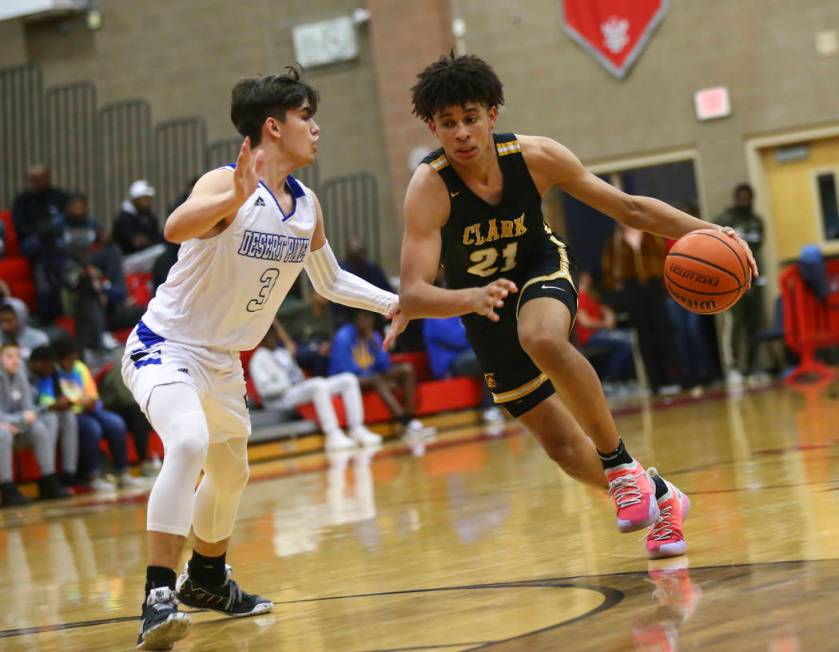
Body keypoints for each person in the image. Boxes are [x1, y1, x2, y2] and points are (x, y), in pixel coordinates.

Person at [399, 54, 758, 562]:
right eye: (449, 123)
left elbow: (629, 208)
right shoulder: (429, 188)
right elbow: (413, 292)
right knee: (563, 450)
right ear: (432, 126)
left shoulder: (536, 156)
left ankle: (619, 466)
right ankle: (662, 497)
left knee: (542, 337)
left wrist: (709, 232)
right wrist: (469, 298)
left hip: (539, 268)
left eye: (471, 117)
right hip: (480, 305)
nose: (461, 133)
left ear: (492, 115)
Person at [121, 68, 408, 650]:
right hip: (165, 347)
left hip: (224, 361)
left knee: (232, 473)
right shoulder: (224, 183)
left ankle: (205, 577)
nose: (317, 128)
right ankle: (158, 594)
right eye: (307, 116)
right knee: (189, 443)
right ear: (274, 127)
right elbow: (177, 226)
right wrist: (231, 197)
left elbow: (328, 281)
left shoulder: (306, 206)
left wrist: (395, 303)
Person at [249, 318, 382, 450]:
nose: (273, 337)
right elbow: (264, 390)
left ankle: (357, 429)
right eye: (269, 335)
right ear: (262, 338)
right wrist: (287, 383)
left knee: (348, 380)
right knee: (318, 385)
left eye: (274, 334)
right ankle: (332, 435)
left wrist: (299, 380)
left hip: (296, 390)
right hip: (280, 400)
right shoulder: (258, 359)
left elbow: (297, 374)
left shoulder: (282, 353)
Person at [330, 310, 435, 441]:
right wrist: (375, 377)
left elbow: (385, 366)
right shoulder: (343, 337)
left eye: (370, 318)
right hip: (346, 381)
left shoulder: (373, 336)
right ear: (356, 319)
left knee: (407, 369)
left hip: (372, 376)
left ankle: (410, 420)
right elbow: (346, 371)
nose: (367, 321)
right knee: (376, 379)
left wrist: (375, 345)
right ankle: (406, 423)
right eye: (364, 317)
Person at [53, 338, 140, 491]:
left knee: (116, 423)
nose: (72, 362)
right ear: (59, 359)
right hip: (70, 415)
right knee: (92, 429)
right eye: (68, 359)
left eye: (74, 358)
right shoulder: (54, 372)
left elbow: (92, 396)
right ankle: (92, 476)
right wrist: (78, 402)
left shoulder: (80, 368)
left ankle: (122, 472)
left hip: (88, 409)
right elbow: (59, 401)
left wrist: (87, 401)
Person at [601, 225, 678, 393]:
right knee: (644, 336)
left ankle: (672, 378)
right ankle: (655, 384)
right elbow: (608, 266)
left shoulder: (651, 235)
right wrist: (616, 284)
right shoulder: (616, 240)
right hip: (633, 288)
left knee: (664, 331)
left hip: (654, 284)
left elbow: (663, 256)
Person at [0, 341, 68, 505]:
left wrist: (20, 421)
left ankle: (48, 479)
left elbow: (29, 409)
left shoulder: (21, 375)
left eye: (17, 356)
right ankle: (7, 487)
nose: (15, 360)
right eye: (9, 356)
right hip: (4, 429)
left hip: (16, 427)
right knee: (3, 434)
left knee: (39, 426)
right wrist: (19, 420)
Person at [715, 183, 766, 384]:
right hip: (732, 279)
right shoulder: (725, 220)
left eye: (748, 197)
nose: (745, 200)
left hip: (754, 277)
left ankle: (753, 367)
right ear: (736, 198)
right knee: (735, 324)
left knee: (755, 323)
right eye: (741, 197)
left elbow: (758, 248)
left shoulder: (758, 221)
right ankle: (733, 367)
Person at [422, 315, 504, 425]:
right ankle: (489, 408)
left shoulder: (457, 313)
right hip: (449, 365)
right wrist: (477, 332)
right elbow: (457, 339)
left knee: (493, 354)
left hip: (468, 356)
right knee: (485, 358)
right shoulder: (434, 318)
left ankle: (506, 399)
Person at [28, 345, 82, 490]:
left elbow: (57, 397)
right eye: (47, 364)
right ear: (34, 363)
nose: (50, 368)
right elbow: (26, 409)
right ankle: (49, 476)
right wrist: (50, 407)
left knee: (69, 417)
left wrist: (64, 402)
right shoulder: (24, 376)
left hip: (46, 413)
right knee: (50, 419)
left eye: (52, 364)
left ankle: (69, 472)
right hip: (30, 419)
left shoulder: (52, 373)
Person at [574, 271, 635, 386]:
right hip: (588, 337)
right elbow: (585, 322)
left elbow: (605, 309)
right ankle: (612, 379)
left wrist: (609, 316)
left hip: (599, 333)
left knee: (631, 335)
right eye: (587, 275)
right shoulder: (579, 296)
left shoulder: (590, 295)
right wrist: (605, 324)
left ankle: (625, 379)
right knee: (628, 341)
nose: (590, 277)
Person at [113, 180, 164, 255]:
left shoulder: (149, 216)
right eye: (145, 198)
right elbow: (135, 242)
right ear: (135, 199)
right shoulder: (124, 217)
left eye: (149, 198)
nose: (148, 201)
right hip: (128, 258)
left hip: (145, 255)